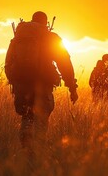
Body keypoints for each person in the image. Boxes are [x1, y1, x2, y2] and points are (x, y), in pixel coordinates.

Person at [5, 11, 78, 151]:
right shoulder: (51, 38)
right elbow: (65, 63)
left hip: (21, 87)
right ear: (46, 23)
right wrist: (72, 87)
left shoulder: (18, 38)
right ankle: (37, 153)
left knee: (26, 118)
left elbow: (8, 63)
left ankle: (26, 150)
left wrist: (15, 82)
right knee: (41, 120)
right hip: (42, 86)